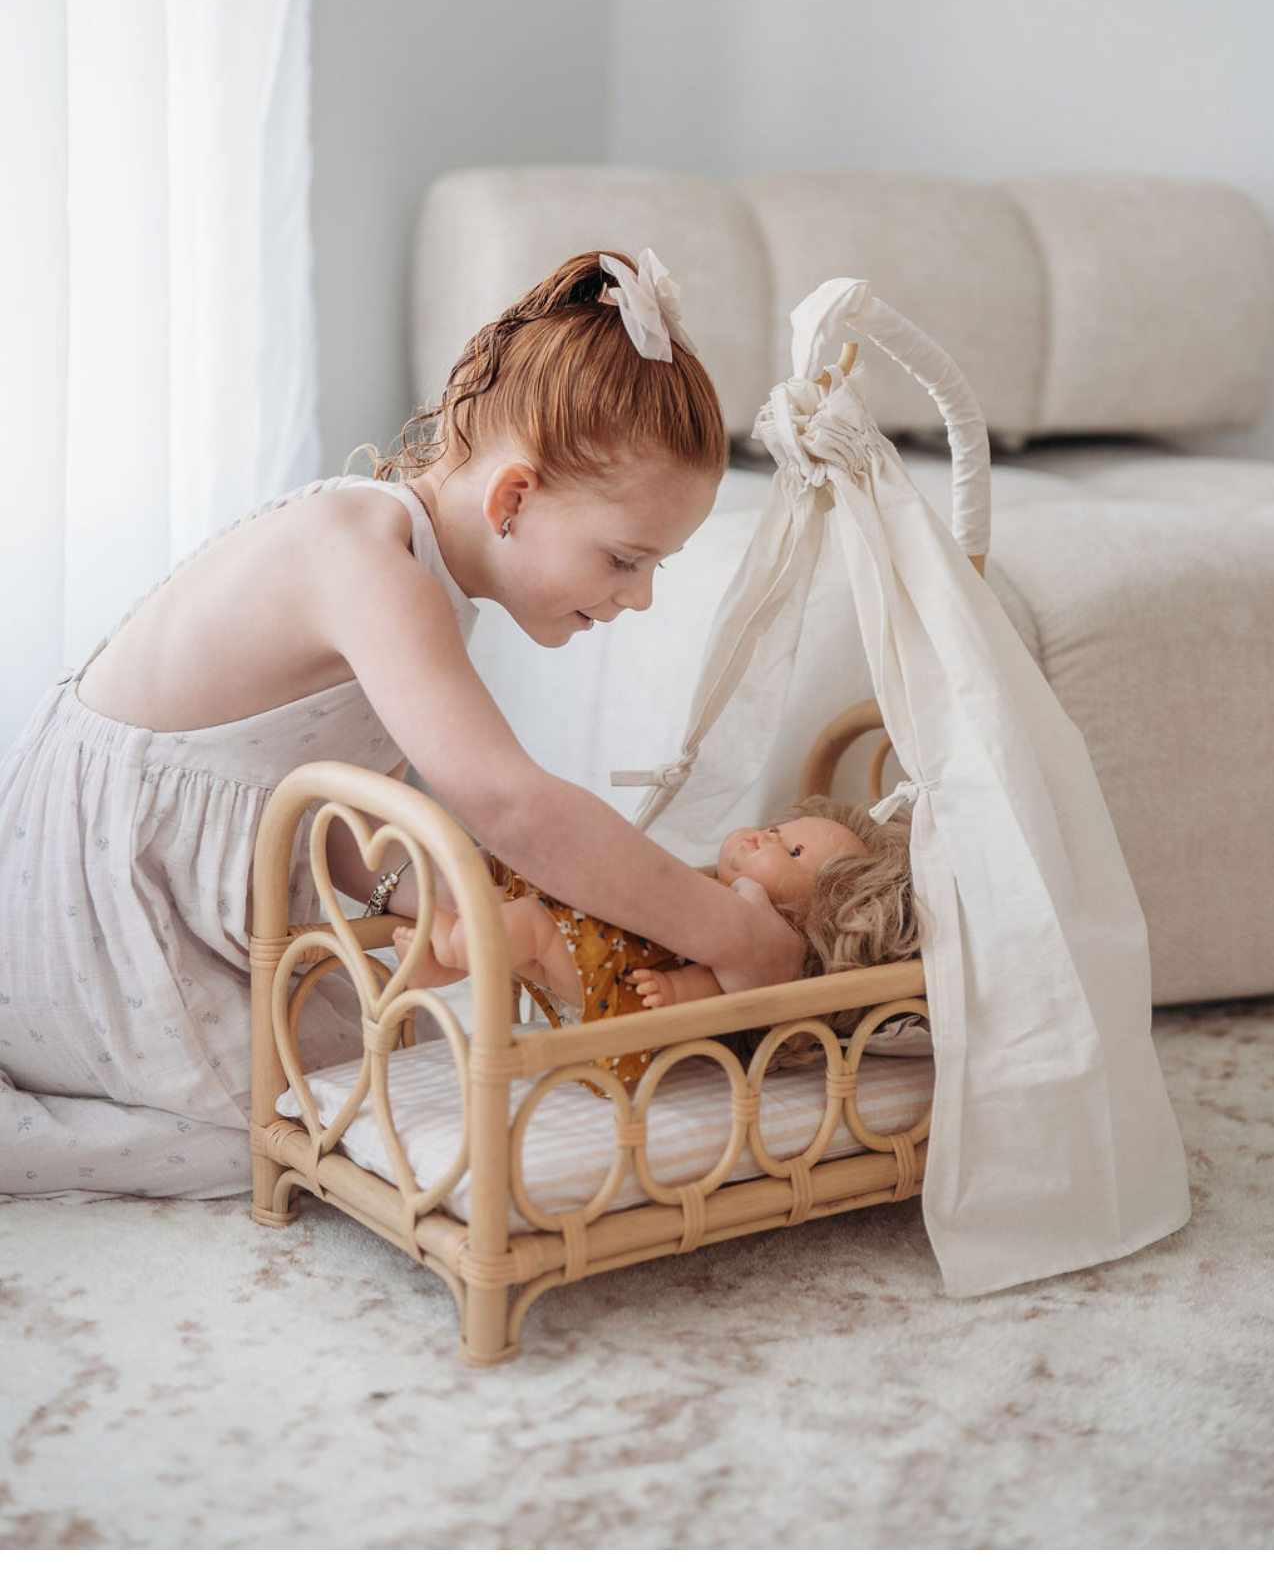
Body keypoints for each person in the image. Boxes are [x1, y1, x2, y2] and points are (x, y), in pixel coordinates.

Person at [0, 249, 801, 1200]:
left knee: (381, 1067)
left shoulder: (421, 571)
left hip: (177, 849)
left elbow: (307, 784)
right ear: (513, 497)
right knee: (307, 1131)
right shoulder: (369, 561)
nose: (641, 598)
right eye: (626, 560)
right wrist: (732, 935)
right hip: (100, 879)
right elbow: (513, 805)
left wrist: (427, 899)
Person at [393, 795, 920, 1087]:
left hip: (615, 981)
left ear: (810, 912)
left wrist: (675, 996)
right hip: (597, 965)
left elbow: (722, 995)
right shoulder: (719, 894)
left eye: (794, 853)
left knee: (530, 923)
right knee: (526, 948)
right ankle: (445, 965)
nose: (769, 836)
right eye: (780, 830)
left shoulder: (769, 941)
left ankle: (460, 943)